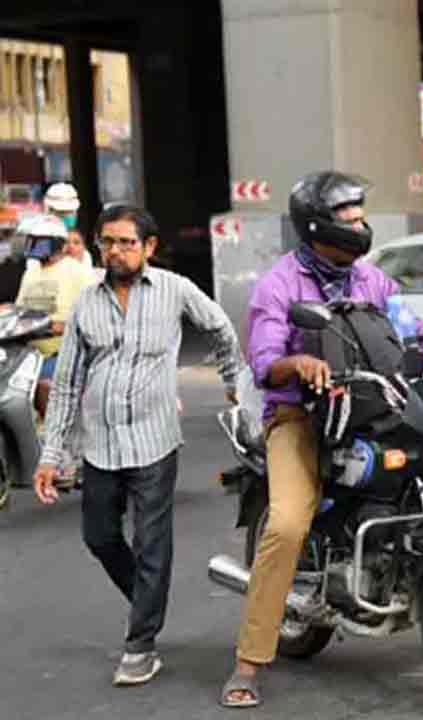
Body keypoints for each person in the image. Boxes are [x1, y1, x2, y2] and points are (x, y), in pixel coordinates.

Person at [222, 171, 423, 709]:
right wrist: (297, 363)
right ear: (315, 226)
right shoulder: (280, 284)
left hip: (373, 411)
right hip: (301, 419)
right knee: (287, 523)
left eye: (360, 217)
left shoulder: (371, 281)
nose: (359, 226)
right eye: (347, 219)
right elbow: (263, 360)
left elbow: (413, 330)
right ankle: (249, 661)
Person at [33, 204, 244, 687]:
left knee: (152, 542)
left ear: (148, 247)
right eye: (107, 242)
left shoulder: (175, 290)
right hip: (100, 443)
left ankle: (141, 644)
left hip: (154, 440)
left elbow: (220, 327)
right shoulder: (87, 302)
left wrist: (234, 379)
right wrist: (51, 455)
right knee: (99, 536)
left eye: (127, 242)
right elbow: (66, 385)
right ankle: (149, 600)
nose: (116, 251)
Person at [11, 214, 98, 421]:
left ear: (56, 243)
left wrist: (62, 326)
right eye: (30, 240)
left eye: (37, 241)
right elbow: (19, 310)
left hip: (63, 353)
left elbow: (96, 315)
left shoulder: (77, 272)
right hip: (28, 354)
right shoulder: (31, 273)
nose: (31, 245)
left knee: (44, 389)